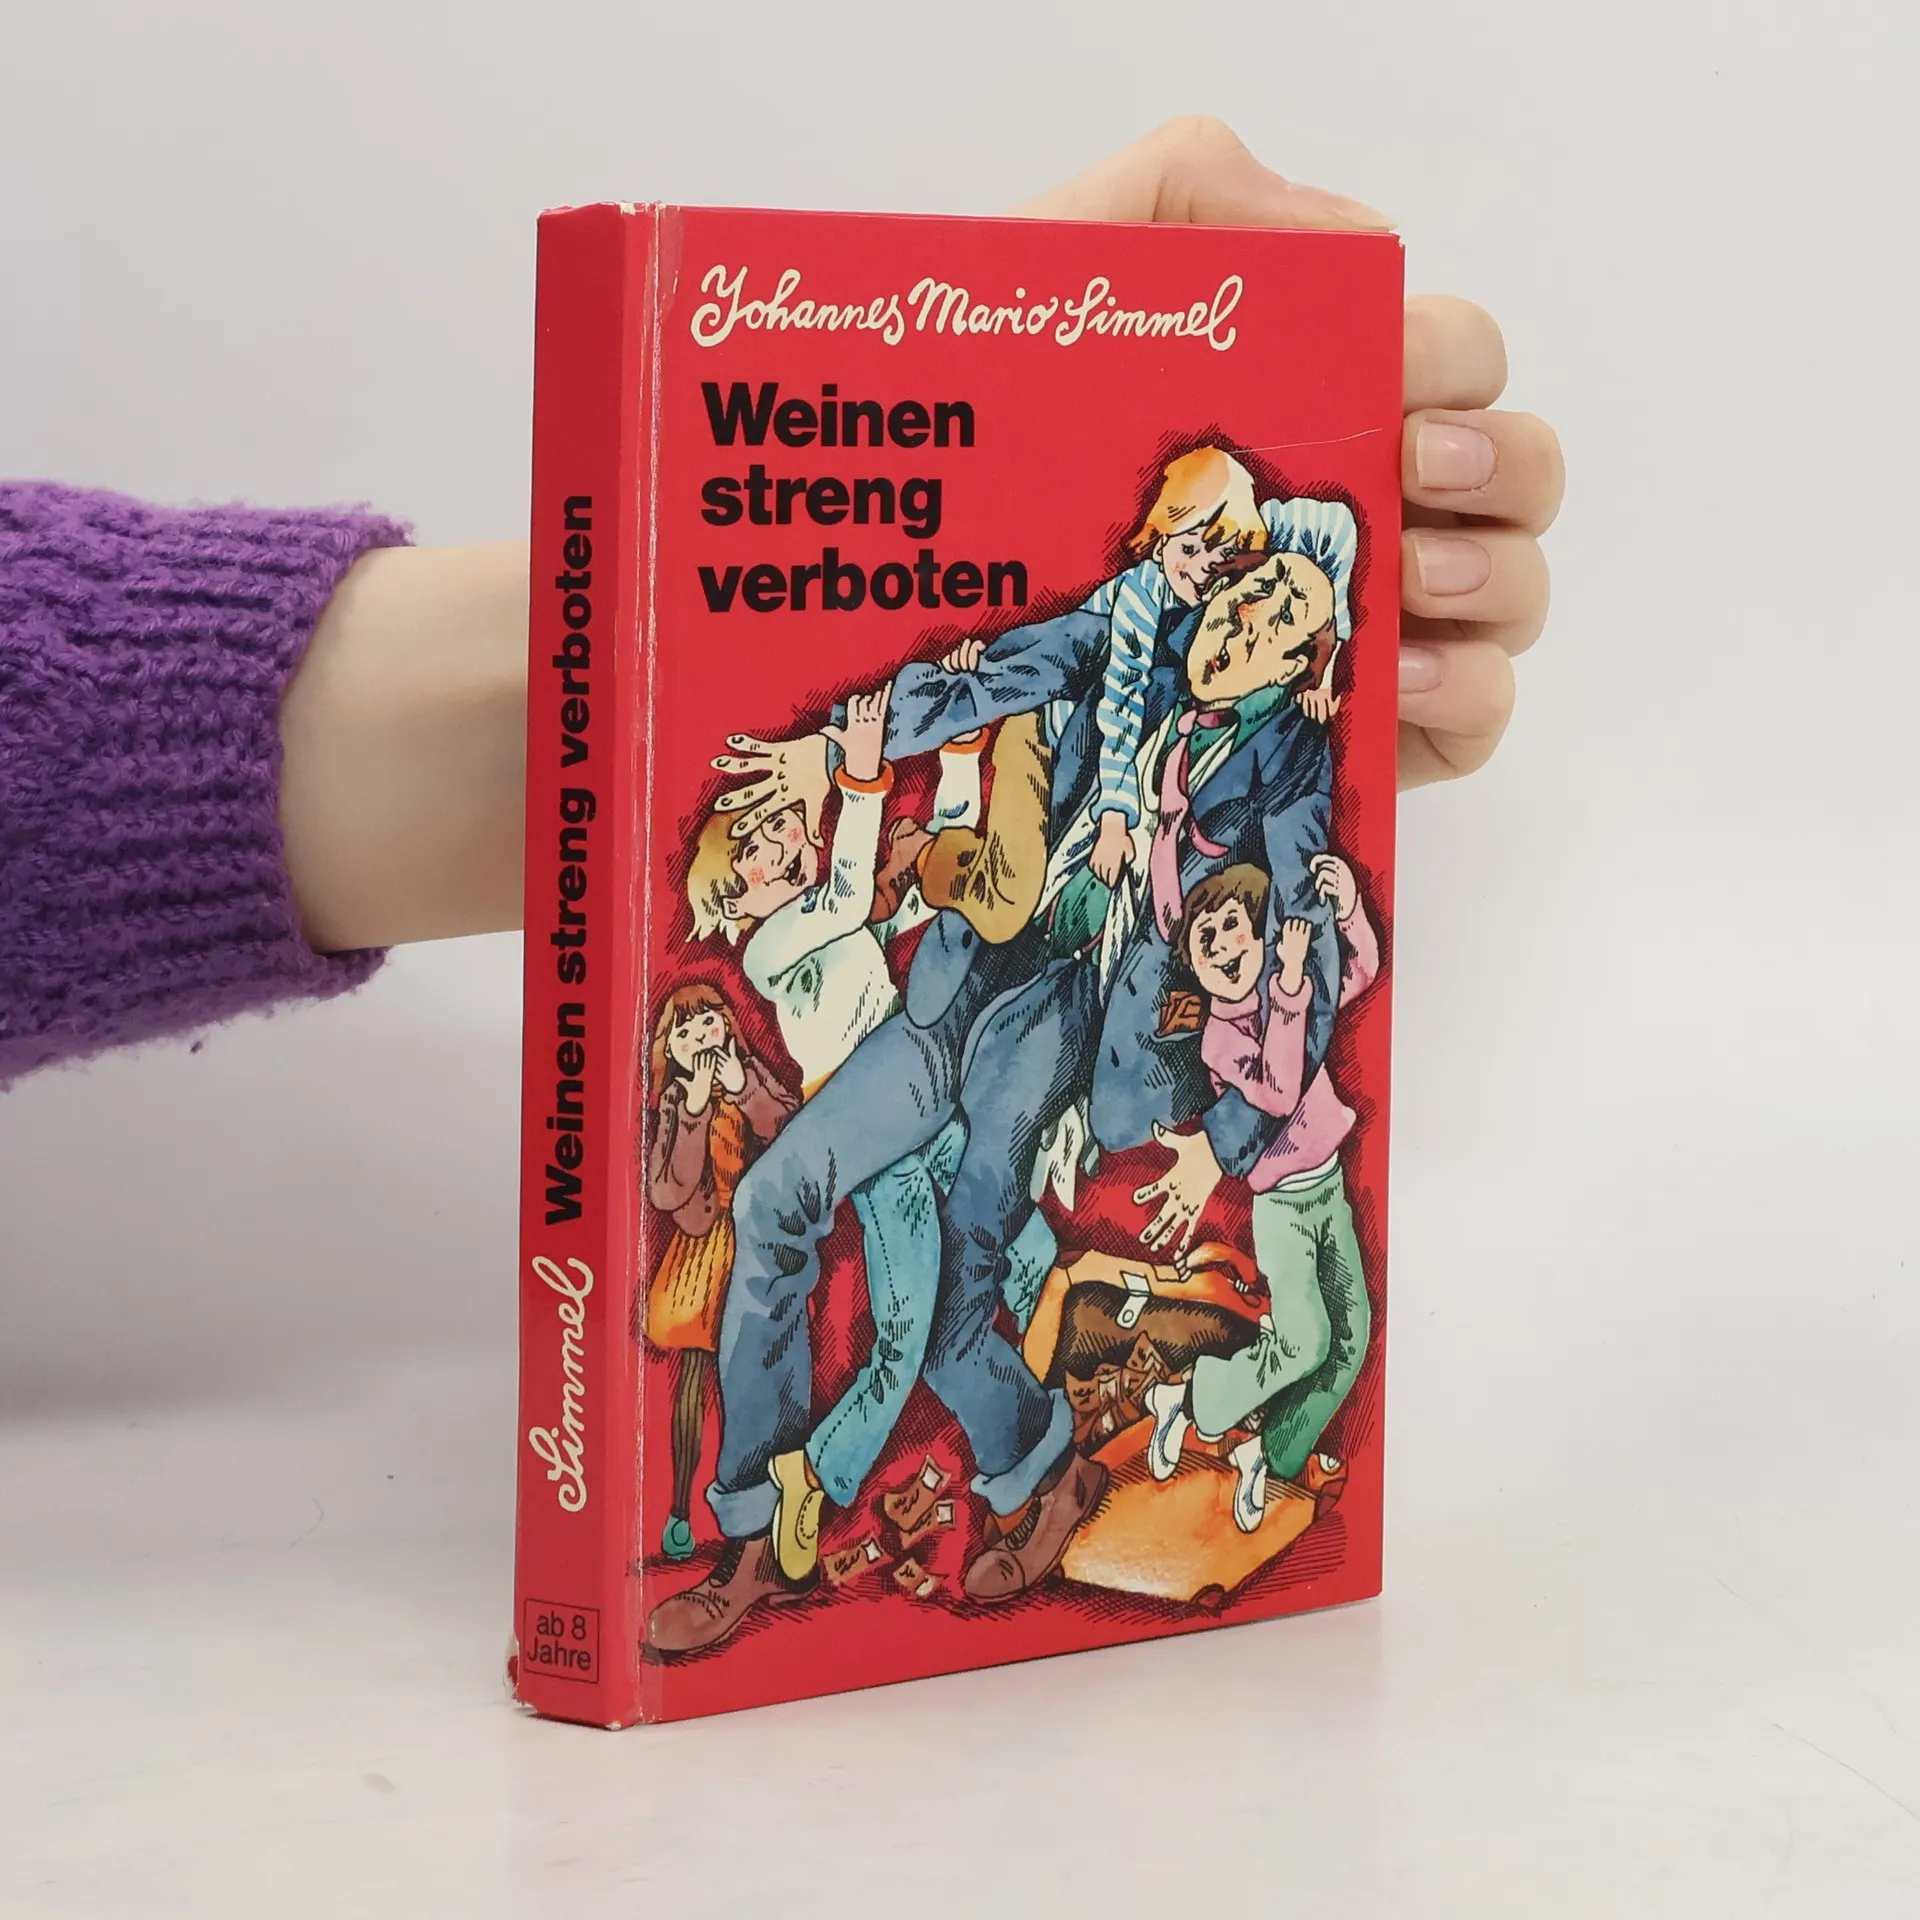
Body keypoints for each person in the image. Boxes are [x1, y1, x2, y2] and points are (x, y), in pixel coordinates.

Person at [1, 117, 1559, 1144]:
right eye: (1214, 557)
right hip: (975, 986)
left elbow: (1302, 891)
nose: (1229, 586)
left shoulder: (1277, 750)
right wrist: (966, 446)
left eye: (1271, 594)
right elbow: (980, 674)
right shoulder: (1111, 634)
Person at [1143, 855, 1378, 1532]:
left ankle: (1269, 1454)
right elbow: (1277, 1090)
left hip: (1328, 1188)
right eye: (1205, 940)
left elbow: (1360, 970)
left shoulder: (1285, 988)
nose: (1223, 946)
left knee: (1349, 1341)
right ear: (1193, 965)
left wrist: (1348, 909)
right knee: (1304, 1342)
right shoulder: (1220, 1038)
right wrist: (1292, 985)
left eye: (1232, 926)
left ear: (1258, 929)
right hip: (1282, 1210)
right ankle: (1190, 1399)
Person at [641, 984, 796, 1561]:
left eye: (708, 1021)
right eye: (684, 1032)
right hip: (702, 1256)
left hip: (757, 1243)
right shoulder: (676, 1102)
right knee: (694, 1378)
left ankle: (759, 1501)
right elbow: (666, 1191)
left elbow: (794, 1136)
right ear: (670, 1051)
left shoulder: (749, 1074)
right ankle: (680, 1508)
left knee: (753, 1375)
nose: (700, 1035)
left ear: (727, 1023)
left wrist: (743, 1088)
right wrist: (695, 1111)